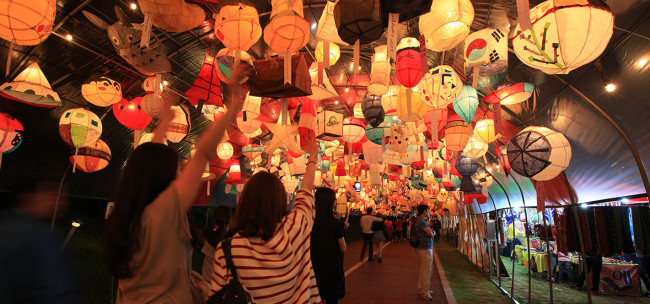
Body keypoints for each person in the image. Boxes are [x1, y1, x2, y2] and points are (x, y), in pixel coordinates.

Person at [102, 63, 252, 304]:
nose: (182, 171)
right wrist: (233, 106)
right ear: (164, 176)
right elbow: (203, 153)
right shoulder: (163, 211)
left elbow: (150, 161)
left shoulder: (129, 216)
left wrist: (166, 120)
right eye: (177, 168)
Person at [209, 138, 321, 303]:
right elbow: (305, 190)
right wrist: (312, 158)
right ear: (281, 200)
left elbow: (216, 297)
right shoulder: (295, 227)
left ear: (245, 201)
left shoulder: (228, 250)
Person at [0, 182, 82, 304]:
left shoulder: (6, 226)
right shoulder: (38, 235)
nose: (62, 203)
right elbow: (55, 289)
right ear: (30, 196)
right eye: (54, 195)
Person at [311, 187, 346, 304]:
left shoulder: (309, 222)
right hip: (332, 269)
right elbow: (343, 247)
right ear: (331, 202)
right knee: (332, 299)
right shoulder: (335, 223)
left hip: (313, 268)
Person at [201, 205, 232, 282]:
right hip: (224, 285)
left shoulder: (206, 234)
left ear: (214, 219)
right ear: (230, 220)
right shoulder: (233, 240)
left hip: (206, 283)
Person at [415, 204, 434, 301]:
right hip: (425, 248)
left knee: (424, 269)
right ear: (424, 211)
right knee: (426, 270)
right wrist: (431, 231)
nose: (429, 212)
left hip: (423, 247)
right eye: (428, 210)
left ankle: (421, 288)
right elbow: (431, 234)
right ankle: (425, 292)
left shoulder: (421, 221)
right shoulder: (421, 221)